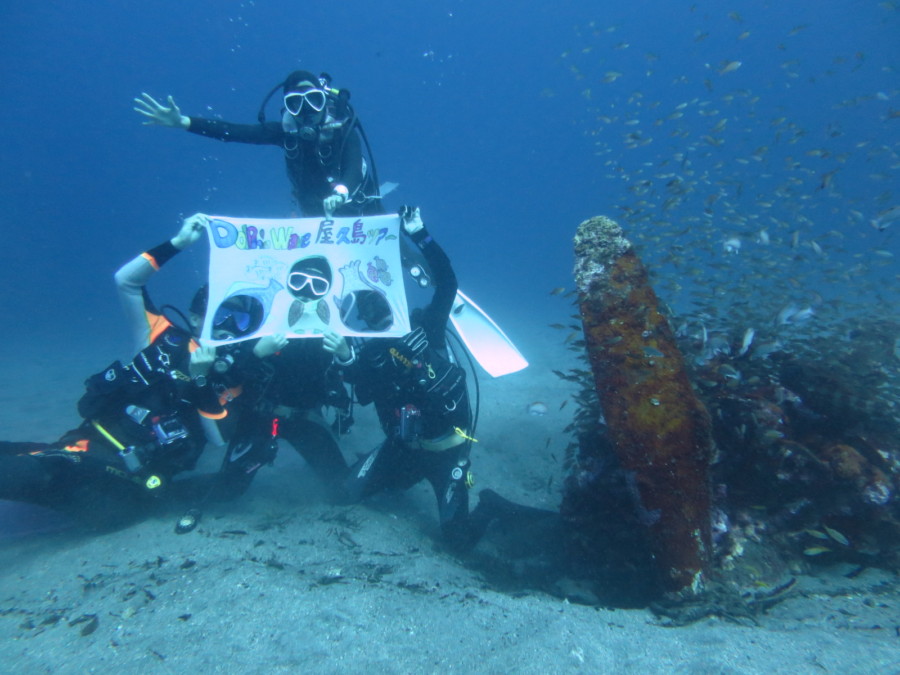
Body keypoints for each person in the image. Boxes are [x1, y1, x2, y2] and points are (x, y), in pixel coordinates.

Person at [0, 215, 275, 529]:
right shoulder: (161, 335)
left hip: (132, 487)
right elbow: (126, 282)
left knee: (73, 490)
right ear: (196, 316)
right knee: (47, 469)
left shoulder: (234, 377)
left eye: (239, 322)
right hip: (89, 448)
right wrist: (177, 244)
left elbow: (217, 437)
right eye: (218, 314)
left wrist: (202, 380)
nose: (226, 327)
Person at [323, 207, 477, 548]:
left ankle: (489, 509)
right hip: (402, 450)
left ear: (392, 300)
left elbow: (448, 282)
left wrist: (420, 232)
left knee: (457, 539)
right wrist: (346, 357)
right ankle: (393, 480)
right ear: (360, 317)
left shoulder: (427, 327)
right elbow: (360, 389)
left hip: (449, 453)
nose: (373, 313)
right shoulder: (371, 352)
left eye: (377, 304)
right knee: (343, 495)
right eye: (365, 310)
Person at [134, 70, 383, 218]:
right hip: (313, 208)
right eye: (296, 103)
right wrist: (184, 122)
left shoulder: (343, 127)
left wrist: (342, 192)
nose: (307, 110)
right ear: (287, 108)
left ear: (324, 100)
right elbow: (233, 132)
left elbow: (352, 163)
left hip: (360, 199)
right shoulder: (284, 133)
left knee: (394, 248)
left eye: (314, 100)